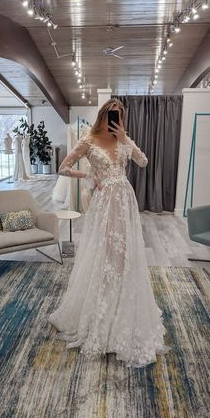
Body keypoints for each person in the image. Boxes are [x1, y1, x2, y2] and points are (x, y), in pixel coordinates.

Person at [49, 98, 170, 367]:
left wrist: (125, 138)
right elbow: (63, 167)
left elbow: (143, 162)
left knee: (125, 255)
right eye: (111, 115)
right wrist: (89, 177)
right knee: (105, 254)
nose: (115, 119)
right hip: (104, 204)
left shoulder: (123, 139)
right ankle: (100, 312)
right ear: (103, 114)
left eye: (119, 115)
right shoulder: (88, 140)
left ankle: (122, 307)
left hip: (126, 201)